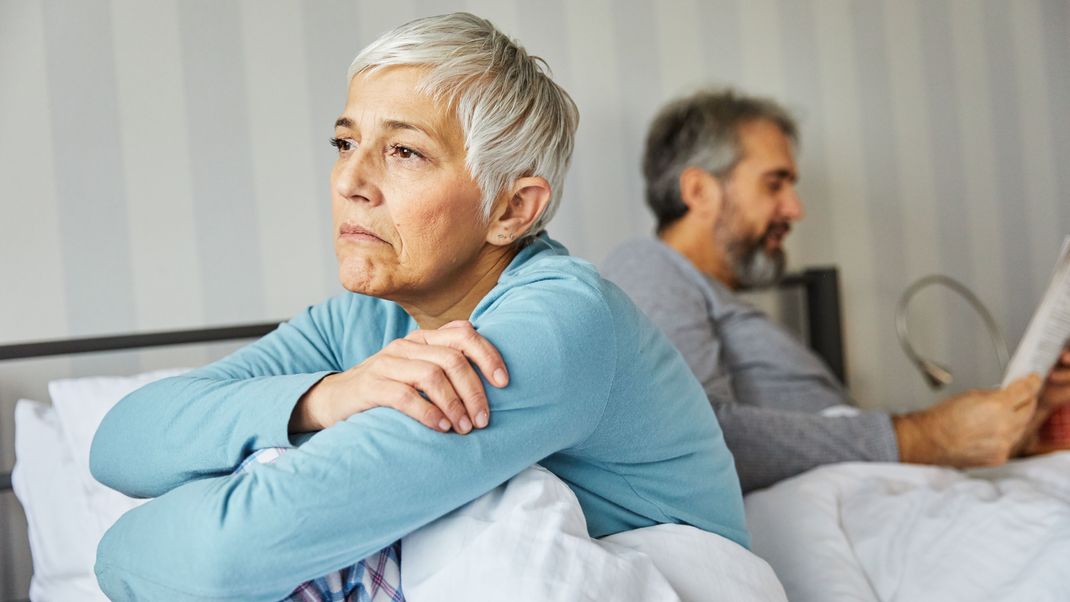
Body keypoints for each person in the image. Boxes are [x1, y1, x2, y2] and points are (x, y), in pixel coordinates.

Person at [88, 14, 749, 601]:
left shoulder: (557, 325)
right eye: (345, 143)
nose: (350, 181)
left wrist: (136, 540)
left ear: (511, 209)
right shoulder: (362, 326)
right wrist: (326, 398)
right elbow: (119, 445)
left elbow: (209, 561)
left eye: (404, 152)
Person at [602, 88, 1070, 493]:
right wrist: (924, 437)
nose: (796, 208)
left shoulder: (721, 302)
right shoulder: (648, 264)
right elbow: (695, 438)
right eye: (775, 183)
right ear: (699, 191)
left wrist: (1016, 419)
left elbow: (831, 433)